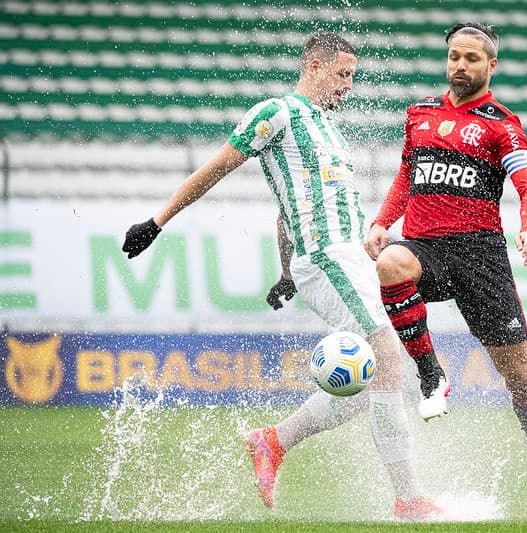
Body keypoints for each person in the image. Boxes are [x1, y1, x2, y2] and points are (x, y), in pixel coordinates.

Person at [121, 31, 441, 520]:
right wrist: (158, 221)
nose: (348, 86)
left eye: (352, 77)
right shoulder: (277, 114)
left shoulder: (329, 131)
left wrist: (285, 270)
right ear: (314, 67)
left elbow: (287, 211)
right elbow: (216, 168)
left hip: (348, 258)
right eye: (342, 74)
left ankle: (274, 440)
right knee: (385, 355)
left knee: (385, 377)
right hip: (328, 258)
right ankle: (409, 498)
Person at [364, 22, 527, 457]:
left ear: (491, 65)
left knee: (517, 373)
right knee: (389, 264)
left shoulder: (501, 125)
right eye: (454, 57)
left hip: (480, 254)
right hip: (426, 247)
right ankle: (431, 375)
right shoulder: (420, 113)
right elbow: (407, 176)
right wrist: (382, 221)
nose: (460, 65)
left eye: (471, 58)